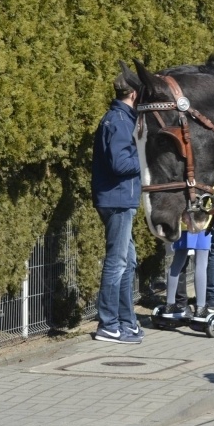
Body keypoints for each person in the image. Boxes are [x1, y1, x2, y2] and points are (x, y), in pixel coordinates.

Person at [91, 74, 144, 344]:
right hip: (117, 200)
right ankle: (109, 324)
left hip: (120, 199)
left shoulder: (121, 119)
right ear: (134, 94)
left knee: (128, 261)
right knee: (117, 262)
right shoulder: (120, 122)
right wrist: (146, 156)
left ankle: (127, 322)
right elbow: (120, 165)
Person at [162, 220, 212, 320]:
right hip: (202, 224)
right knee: (201, 265)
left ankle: (170, 305)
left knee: (177, 263)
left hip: (182, 225)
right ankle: (200, 308)